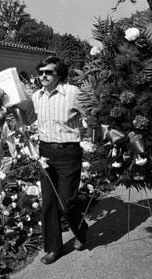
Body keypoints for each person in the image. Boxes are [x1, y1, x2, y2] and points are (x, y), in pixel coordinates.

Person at [23, 56, 89, 264]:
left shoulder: (72, 93)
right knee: (49, 203)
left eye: (48, 72)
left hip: (68, 152)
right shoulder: (36, 96)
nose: (43, 76)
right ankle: (54, 248)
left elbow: (91, 114)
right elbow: (28, 119)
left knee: (67, 203)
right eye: (40, 72)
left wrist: (91, 129)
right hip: (45, 153)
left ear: (59, 74)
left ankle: (80, 229)